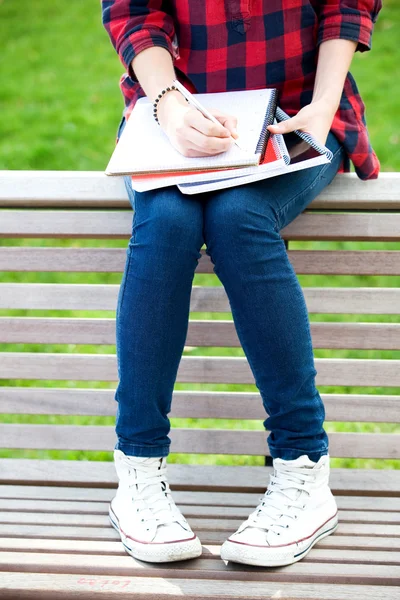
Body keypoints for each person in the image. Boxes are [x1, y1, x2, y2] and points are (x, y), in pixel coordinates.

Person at [101, 0, 382, 567]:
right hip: (171, 114)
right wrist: (168, 103)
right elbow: (136, 13)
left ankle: (303, 471)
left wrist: (323, 106)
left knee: (238, 218)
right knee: (166, 221)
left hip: (300, 113)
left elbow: (345, 7)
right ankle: (137, 471)